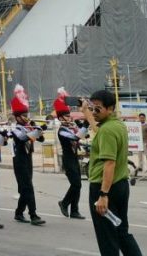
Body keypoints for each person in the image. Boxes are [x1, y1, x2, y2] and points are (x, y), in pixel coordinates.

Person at [85, 89, 142, 256]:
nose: (94, 112)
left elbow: (109, 163)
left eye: (97, 109)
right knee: (121, 231)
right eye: (92, 108)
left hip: (104, 188)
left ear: (110, 109)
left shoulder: (107, 131)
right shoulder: (117, 125)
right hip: (121, 185)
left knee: (107, 237)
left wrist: (103, 195)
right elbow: (99, 130)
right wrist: (86, 112)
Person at [9, 85, 45, 226]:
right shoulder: (16, 128)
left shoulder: (28, 126)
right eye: (24, 116)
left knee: (25, 187)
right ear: (17, 117)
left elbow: (40, 139)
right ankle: (33, 215)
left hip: (28, 158)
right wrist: (35, 131)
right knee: (28, 187)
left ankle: (19, 213)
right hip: (19, 160)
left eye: (27, 115)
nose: (27, 118)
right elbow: (23, 138)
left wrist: (38, 128)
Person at [54, 89, 86, 220]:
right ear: (61, 118)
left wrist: (82, 125)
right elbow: (76, 137)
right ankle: (64, 202)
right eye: (67, 116)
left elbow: (84, 135)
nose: (69, 118)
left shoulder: (71, 127)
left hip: (74, 158)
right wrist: (85, 124)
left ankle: (74, 210)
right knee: (76, 184)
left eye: (69, 115)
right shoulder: (62, 130)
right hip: (67, 159)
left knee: (79, 184)